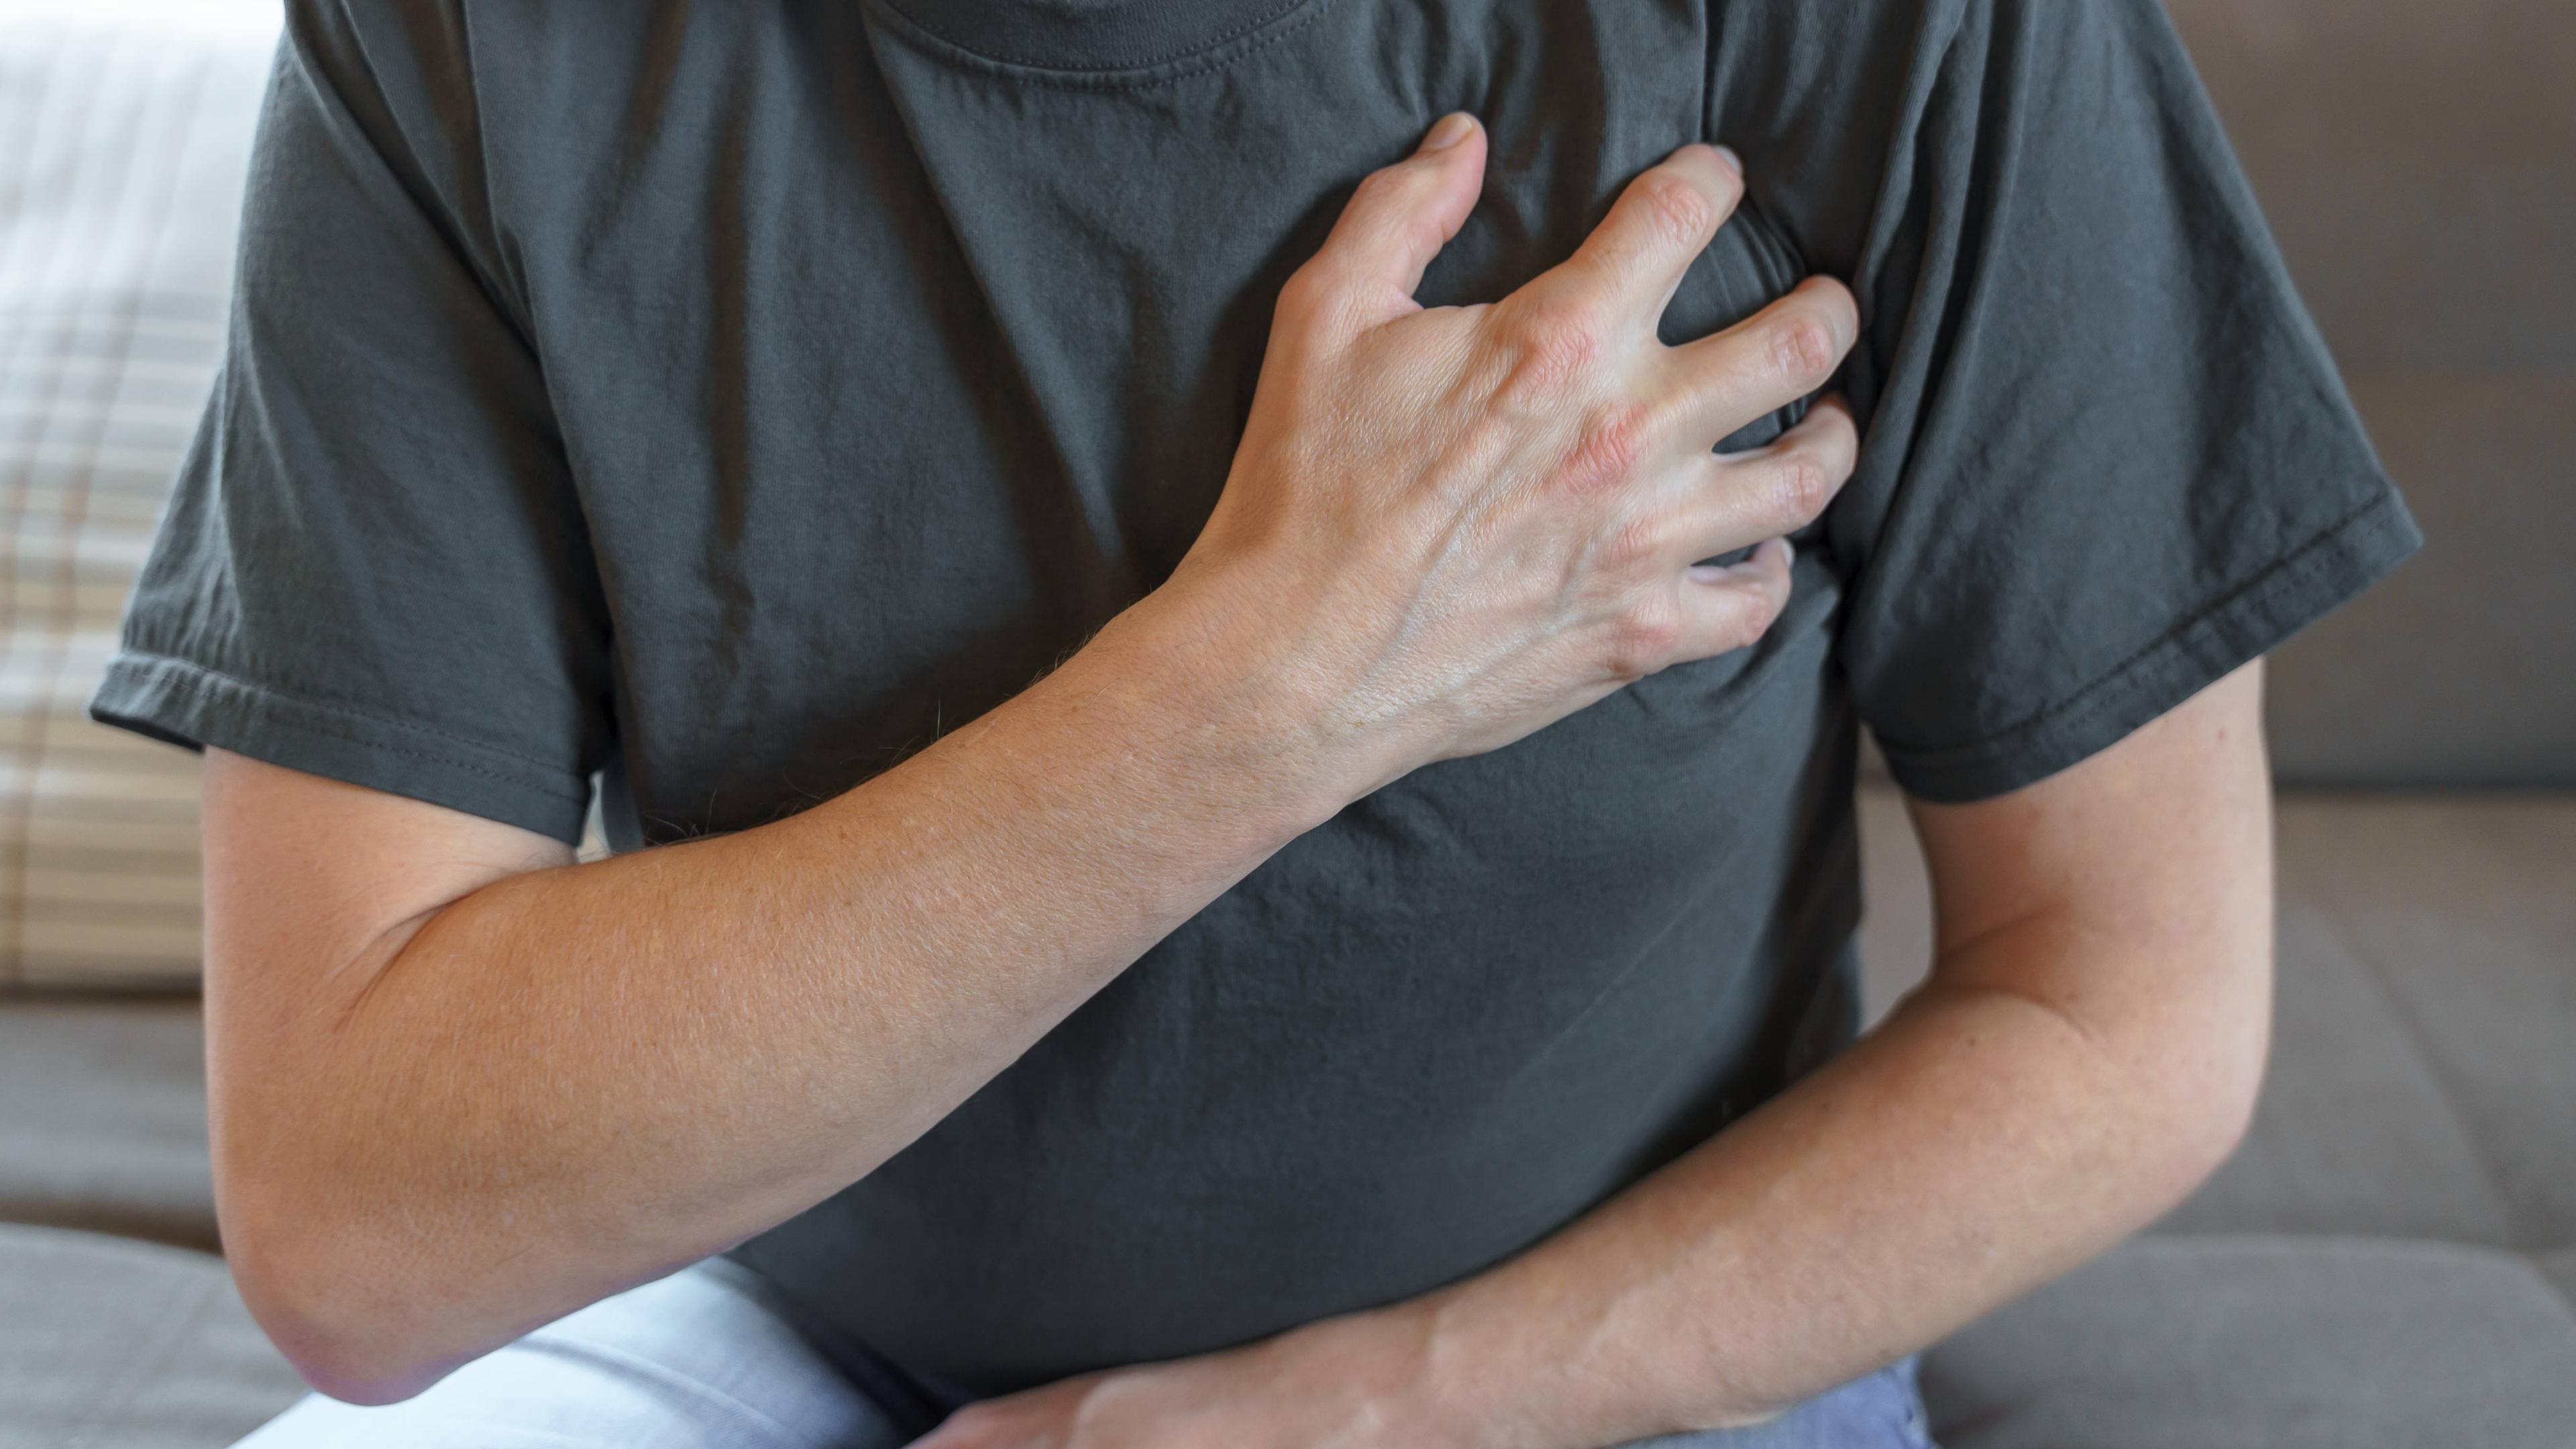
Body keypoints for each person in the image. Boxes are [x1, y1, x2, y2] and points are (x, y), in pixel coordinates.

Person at [91, 0, 2420, 1444]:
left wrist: (1377, 1415)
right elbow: (359, 1224)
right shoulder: (463, 42)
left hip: (1598, 1359)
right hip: (768, 1311)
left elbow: (2129, 1007)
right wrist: (1282, 684)